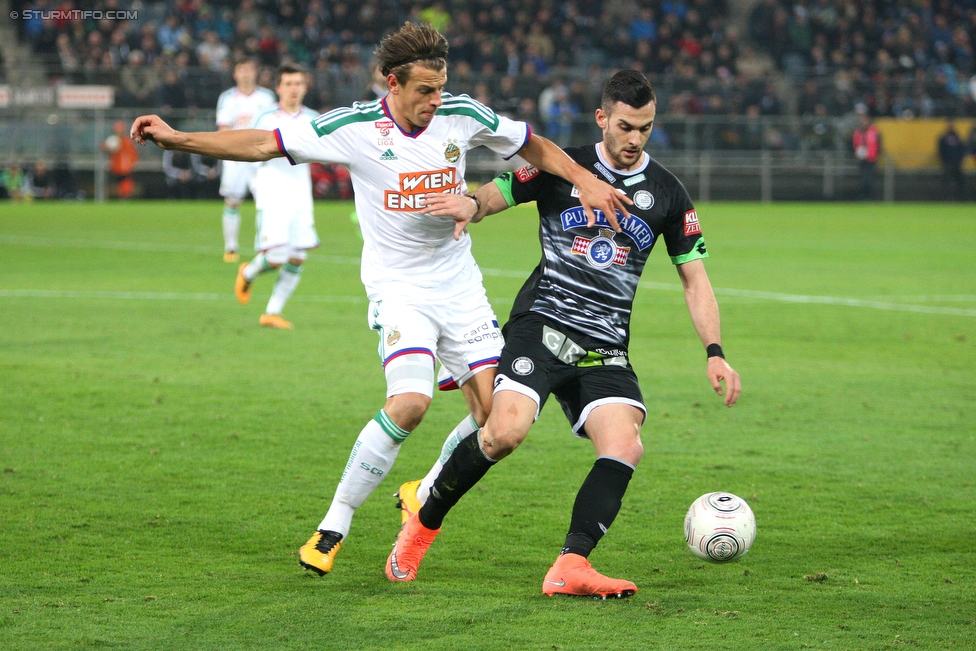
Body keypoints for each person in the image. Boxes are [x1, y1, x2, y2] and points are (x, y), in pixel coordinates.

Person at [129, 21, 628, 577]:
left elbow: (529, 143)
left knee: (497, 425)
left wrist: (582, 177)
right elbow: (260, 143)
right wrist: (178, 139)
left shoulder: (463, 114)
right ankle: (334, 523)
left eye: (440, 89)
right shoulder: (354, 126)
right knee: (411, 403)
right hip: (398, 288)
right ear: (393, 83)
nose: (435, 102)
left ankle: (426, 490)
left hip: (459, 286)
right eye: (424, 91)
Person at [385, 70, 741, 599]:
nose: (634, 138)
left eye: (644, 128)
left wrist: (715, 352)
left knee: (625, 445)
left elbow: (695, 278)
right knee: (504, 433)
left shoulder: (668, 193)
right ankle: (422, 524)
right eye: (624, 126)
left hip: (606, 345)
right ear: (602, 118)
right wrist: (472, 206)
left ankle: (570, 565)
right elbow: (499, 192)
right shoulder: (562, 167)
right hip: (543, 325)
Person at [234, 63, 320, 330]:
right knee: (275, 257)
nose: (294, 89)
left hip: (301, 196)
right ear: (279, 88)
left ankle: (271, 312)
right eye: (289, 84)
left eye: (299, 83)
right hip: (272, 194)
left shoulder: (313, 119)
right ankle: (247, 272)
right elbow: (247, 153)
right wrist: (257, 187)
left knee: (297, 257)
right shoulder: (266, 118)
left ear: (305, 87)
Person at [215, 58, 277, 262]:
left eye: (249, 70)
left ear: (255, 73)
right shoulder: (227, 98)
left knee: (265, 201)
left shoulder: (267, 98)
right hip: (235, 157)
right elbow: (223, 127)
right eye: (241, 70)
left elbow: (273, 127)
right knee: (232, 201)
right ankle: (230, 247)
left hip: (260, 157)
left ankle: (264, 244)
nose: (246, 74)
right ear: (235, 74)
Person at [101, 121, 139, 199]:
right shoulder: (114, 140)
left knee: (125, 181)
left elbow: (133, 154)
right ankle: (122, 196)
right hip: (116, 166)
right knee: (120, 182)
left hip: (124, 166)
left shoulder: (126, 141)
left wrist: (132, 163)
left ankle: (124, 196)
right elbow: (104, 146)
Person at [851, 110, 881, 200]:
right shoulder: (858, 132)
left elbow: (879, 144)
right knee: (862, 179)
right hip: (861, 159)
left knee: (868, 179)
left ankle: (869, 197)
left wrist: (876, 155)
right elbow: (854, 144)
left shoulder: (874, 131)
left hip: (871, 158)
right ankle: (864, 197)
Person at [937, 120, 967, 201]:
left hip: (957, 163)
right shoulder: (943, 138)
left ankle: (962, 199)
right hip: (948, 163)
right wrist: (944, 160)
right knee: (946, 182)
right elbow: (941, 150)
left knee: (960, 182)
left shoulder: (958, 137)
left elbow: (962, 149)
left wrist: (960, 160)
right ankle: (944, 199)